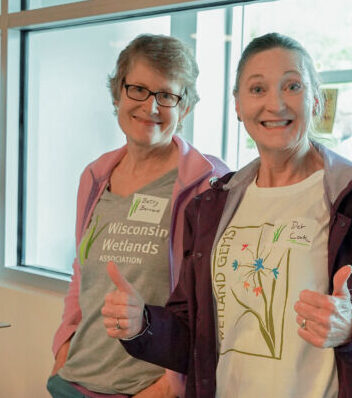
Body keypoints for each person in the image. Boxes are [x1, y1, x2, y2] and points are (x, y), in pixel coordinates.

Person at [101, 33, 352, 397]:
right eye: (257, 89)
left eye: (292, 86)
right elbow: (194, 339)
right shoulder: (212, 207)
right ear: (238, 106)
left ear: (317, 100)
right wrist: (142, 324)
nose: (275, 104)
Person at [48, 34, 229, 398]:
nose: (151, 107)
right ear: (117, 94)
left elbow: (217, 301)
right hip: (74, 381)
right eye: (138, 90)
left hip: (148, 390)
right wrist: (63, 348)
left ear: (186, 108)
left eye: (167, 95)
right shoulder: (96, 175)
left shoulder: (209, 184)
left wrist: (169, 385)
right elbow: (82, 271)